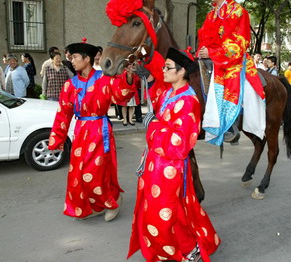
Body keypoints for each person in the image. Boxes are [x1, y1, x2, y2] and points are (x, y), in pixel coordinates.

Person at [128, 47, 219, 262]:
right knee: (167, 209)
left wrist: (153, 126)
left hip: (170, 165)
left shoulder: (189, 101)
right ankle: (175, 246)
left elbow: (179, 144)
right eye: (164, 66)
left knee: (167, 210)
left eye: (167, 67)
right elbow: (159, 106)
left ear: (181, 73)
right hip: (156, 162)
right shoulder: (171, 92)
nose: (163, 70)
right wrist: (149, 80)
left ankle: (188, 249)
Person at [48, 42, 136, 221]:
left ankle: (112, 201)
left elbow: (122, 95)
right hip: (81, 132)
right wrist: (56, 140)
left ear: (87, 59)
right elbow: (63, 114)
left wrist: (128, 76)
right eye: (70, 58)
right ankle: (88, 206)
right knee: (78, 173)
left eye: (75, 57)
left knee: (97, 171)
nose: (72, 61)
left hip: (99, 130)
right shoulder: (70, 85)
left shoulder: (104, 79)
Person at [196, 0, 265, 145]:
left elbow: (239, 42)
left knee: (229, 80)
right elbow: (205, 36)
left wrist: (212, 53)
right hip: (211, 55)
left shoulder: (238, 11)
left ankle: (230, 125)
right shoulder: (211, 14)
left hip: (232, 59)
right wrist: (202, 50)